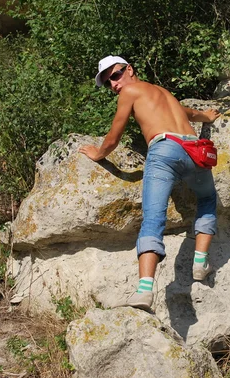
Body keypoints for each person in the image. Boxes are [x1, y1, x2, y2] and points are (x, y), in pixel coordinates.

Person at [79, 55, 221, 311]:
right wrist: (207, 117)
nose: (113, 85)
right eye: (108, 82)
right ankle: (200, 261)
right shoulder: (164, 93)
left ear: (129, 69)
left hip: (165, 150)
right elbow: (188, 113)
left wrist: (98, 154)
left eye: (115, 75)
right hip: (194, 151)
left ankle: (144, 291)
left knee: (153, 219)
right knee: (208, 199)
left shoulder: (130, 91)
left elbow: (114, 134)